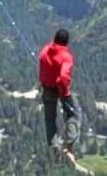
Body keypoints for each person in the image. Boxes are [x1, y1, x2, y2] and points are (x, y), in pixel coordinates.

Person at [39, 29, 81, 162]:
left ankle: (55, 147)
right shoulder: (66, 57)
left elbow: (43, 61)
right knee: (74, 113)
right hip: (61, 88)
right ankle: (70, 146)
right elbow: (63, 77)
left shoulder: (45, 51)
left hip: (47, 88)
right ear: (66, 42)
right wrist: (65, 91)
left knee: (50, 118)